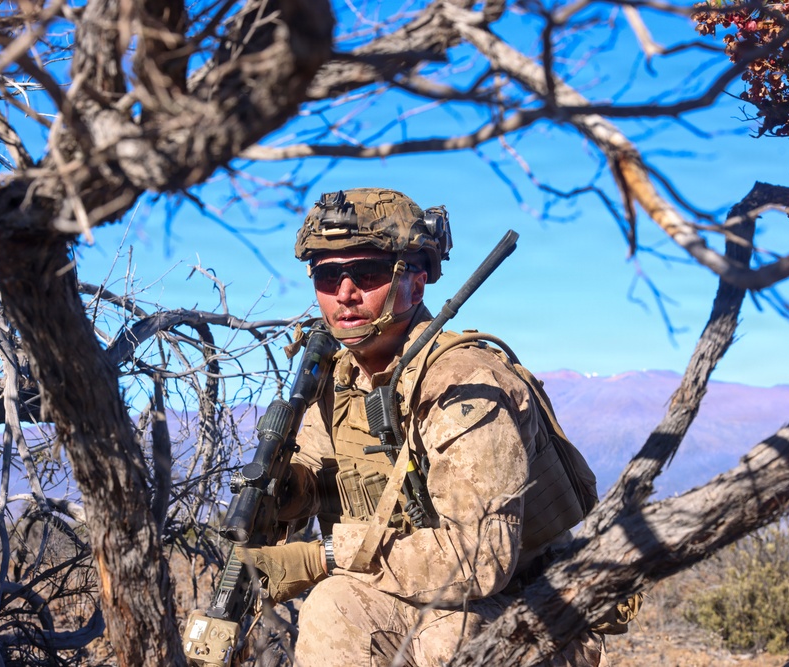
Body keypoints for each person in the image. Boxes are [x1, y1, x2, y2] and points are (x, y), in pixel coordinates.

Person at [238, 188, 609, 666]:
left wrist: (322, 558)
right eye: (328, 276)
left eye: (366, 273)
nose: (345, 294)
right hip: (428, 599)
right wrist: (290, 489)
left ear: (417, 280)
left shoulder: (464, 383)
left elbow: (478, 559)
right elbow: (317, 461)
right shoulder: (339, 377)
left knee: (345, 609)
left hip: (540, 611)